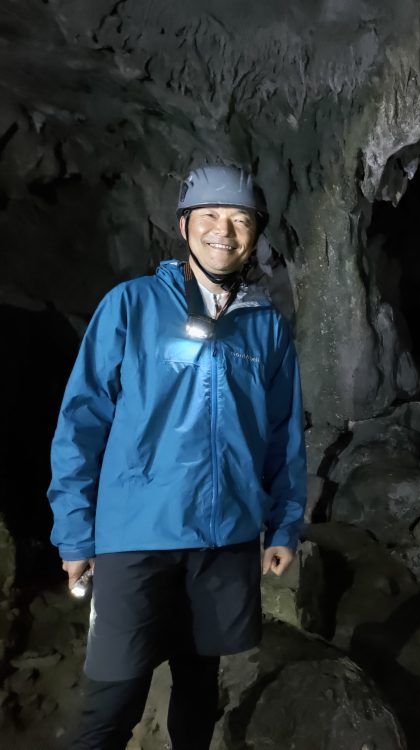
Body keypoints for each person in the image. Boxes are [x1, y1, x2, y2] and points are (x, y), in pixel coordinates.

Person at [47, 165, 307, 749]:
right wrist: (74, 533)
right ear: (185, 225)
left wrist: (285, 524)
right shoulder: (131, 306)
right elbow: (82, 419)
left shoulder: (266, 329)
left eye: (240, 219)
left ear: (254, 233)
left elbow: (284, 434)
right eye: (211, 215)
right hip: (139, 533)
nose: (225, 230)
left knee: (198, 695)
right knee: (113, 702)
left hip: (225, 539)